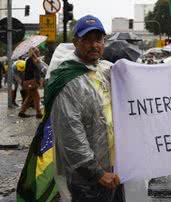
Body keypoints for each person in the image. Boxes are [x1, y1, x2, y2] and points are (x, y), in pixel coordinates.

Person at [50, 15, 125, 202]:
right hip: (88, 179)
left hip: (115, 171)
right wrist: (96, 173)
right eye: (87, 39)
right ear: (75, 42)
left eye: (98, 39)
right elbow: (70, 134)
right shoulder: (68, 80)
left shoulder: (105, 70)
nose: (94, 45)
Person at [18, 47, 42, 118]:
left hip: (32, 81)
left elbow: (38, 70)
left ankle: (22, 112)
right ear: (34, 53)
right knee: (37, 97)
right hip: (30, 81)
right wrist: (37, 63)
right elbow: (29, 72)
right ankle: (38, 113)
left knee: (30, 97)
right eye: (38, 51)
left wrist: (38, 63)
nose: (39, 53)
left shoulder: (35, 60)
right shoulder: (29, 60)